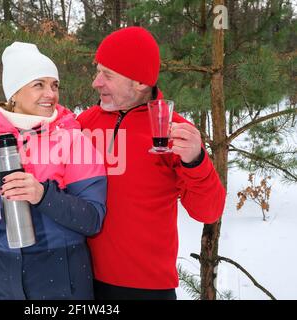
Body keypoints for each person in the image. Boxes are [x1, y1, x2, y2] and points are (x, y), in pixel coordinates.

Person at [77, 26, 226, 300]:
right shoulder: (83, 124)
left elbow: (209, 212)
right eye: (98, 71)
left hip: (145, 288)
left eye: (107, 75)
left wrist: (196, 161)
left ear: (140, 82)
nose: (96, 82)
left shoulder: (174, 132)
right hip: (82, 280)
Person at [0, 42, 107, 300]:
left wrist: (43, 195)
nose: (50, 93)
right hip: (0, 282)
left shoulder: (74, 141)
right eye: (39, 84)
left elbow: (92, 219)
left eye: (54, 85)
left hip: (61, 283)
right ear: (14, 93)